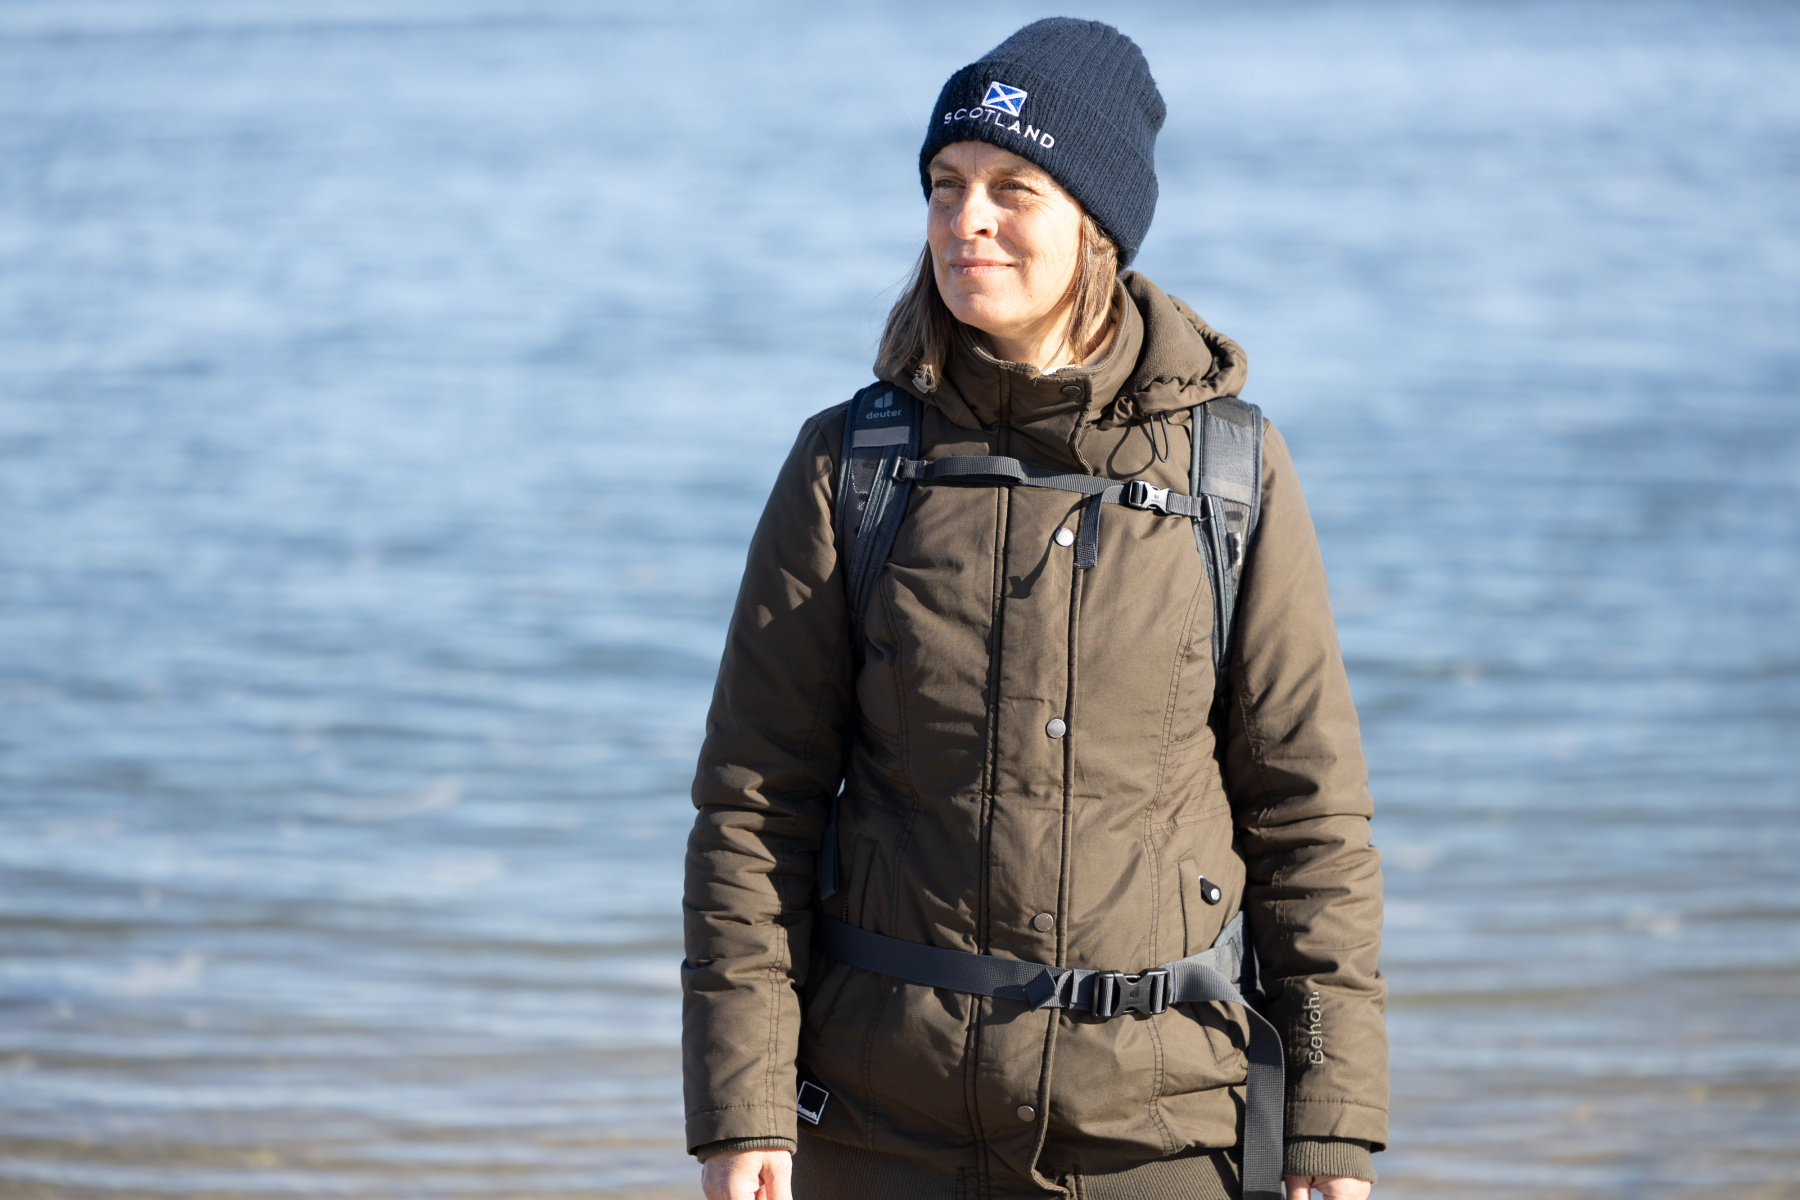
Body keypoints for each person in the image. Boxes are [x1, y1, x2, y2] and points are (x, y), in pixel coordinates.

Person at [682, 18, 1385, 1200]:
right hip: (883, 1129)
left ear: (1097, 226)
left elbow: (1308, 819)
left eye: (1013, 189)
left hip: (1161, 1132)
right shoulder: (851, 465)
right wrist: (742, 1109)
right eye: (945, 185)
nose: (967, 219)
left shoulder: (1230, 472)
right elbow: (755, 806)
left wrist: (1330, 1127)